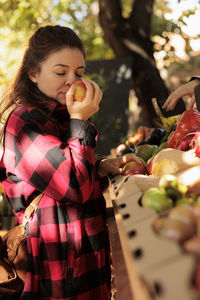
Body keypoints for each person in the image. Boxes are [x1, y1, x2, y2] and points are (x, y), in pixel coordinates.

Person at [0, 25, 145, 300]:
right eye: (60, 72)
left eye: (78, 73)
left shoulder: (61, 118)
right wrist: (80, 122)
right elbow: (71, 185)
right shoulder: (25, 122)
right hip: (58, 274)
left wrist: (101, 165)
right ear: (33, 73)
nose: (72, 81)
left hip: (84, 267)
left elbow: (75, 170)